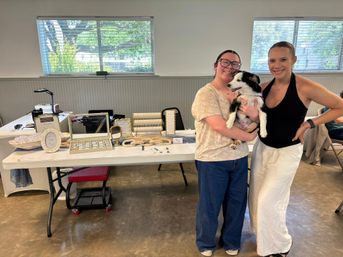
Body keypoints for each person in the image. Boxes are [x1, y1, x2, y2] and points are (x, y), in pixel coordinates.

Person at [248, 41, 343, 257]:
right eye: (272, 60)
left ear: (293, 60)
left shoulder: (304, 86)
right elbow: (254, 117)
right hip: (263, 149)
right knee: (256, 196)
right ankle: (264, 237)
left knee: (269, 200)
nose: (277, 65)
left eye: (283, 59)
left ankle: (280, 245)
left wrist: (310, 124)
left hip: (288, 152)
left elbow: (339, 105)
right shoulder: (264, 88)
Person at [191, 50, 258, 257]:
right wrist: (249, 137)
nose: (229, 67)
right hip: (212, 159)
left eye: (235, 64)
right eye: (225, 62)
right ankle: (205, 243)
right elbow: (219, 126)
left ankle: (231, 240)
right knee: (210, 205)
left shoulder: (241, 93)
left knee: (236, 204)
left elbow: (255, 117)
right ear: (215, 65)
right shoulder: (206, 93)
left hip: (238, 157)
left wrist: (249, 114)